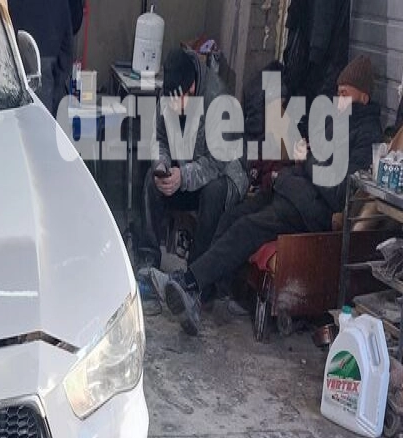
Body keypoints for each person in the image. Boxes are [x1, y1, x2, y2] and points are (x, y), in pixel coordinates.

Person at [158, 56, 384, 337]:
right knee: (232, 216)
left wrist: (307, 159)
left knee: (247, 227)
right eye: (338, 93)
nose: (339, 101)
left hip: (310, 210)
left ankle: (190, 282)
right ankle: (200, 291)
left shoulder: (367, 136)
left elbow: (340, 192)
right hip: (292, 190)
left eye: (345, 94)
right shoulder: (339, 121)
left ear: (363, 96)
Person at [140, 49, 248, 271]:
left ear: (191, 89)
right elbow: (160, 138)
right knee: (152, 180)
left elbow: (217, 162)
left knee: (214, 191)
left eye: (176, 102)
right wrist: (161, 166)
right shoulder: (170, 91)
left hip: (225, 174)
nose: (171, 107)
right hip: (187, 168)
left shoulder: (219, 100)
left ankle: (196, 274)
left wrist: (183, 177)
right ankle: (148, 258)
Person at [9, 0, 84, 117]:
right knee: (41, 120)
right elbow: (70, 29)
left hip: (12, 57)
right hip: (44, 63)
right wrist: (59, 82)